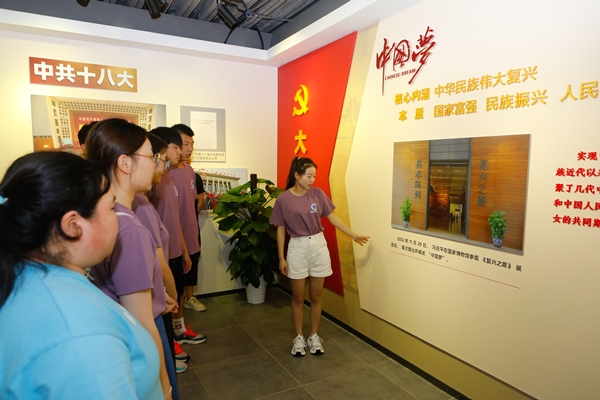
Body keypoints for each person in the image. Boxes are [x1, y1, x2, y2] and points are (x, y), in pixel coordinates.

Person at [0, 151, 162, 399]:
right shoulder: (82, 337)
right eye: (111, 208)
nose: (118, 217)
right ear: (73, 225)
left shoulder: (26, 275)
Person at [85, 119, 175, 399]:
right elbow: (143, 324)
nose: (156, 164)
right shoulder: (130, 229)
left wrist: (157, 294)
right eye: (150, 156)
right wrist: (165, 388)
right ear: (125, 163)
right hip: (135, 341)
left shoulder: (101, 215)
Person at [270, 157, 369, 357]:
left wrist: (354, 235)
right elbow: (280, 229)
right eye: (309, 176)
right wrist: (281, 258)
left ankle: (314, 336)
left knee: (316, 296)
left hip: (318, 246)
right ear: (297, 175)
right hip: (297, 247)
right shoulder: (283, 199)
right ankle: (299, 337)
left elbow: (332, 218)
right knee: (298, 297)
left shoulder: (317, 194)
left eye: (314, 176)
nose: (312, 180)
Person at [132, 133, 191, 374]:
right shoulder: (140, 205)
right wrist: (171, 294)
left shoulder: (164, 183)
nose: (180, 152)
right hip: (159, 280)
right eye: (159, 158)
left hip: (171, 256)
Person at [149, 127, 207, 346]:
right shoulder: (156, 179)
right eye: (180, 145)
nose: (185, 150)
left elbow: (181, 214)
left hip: (181, 242)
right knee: (166, 295)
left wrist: (184, 248)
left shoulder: (178, 175)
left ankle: (178, 331)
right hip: (162, 249)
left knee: (179, 292)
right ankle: (169, 341)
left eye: (190, 144)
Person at [171, 123, 206, 312]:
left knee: (190, 272)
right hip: (174, 239)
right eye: (186, 144)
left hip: (191, 233)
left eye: (192, 144)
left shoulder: (190, 171)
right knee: (174, 284)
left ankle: (187, 303)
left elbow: (194, 203)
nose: (190, 149)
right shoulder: (165, 173)